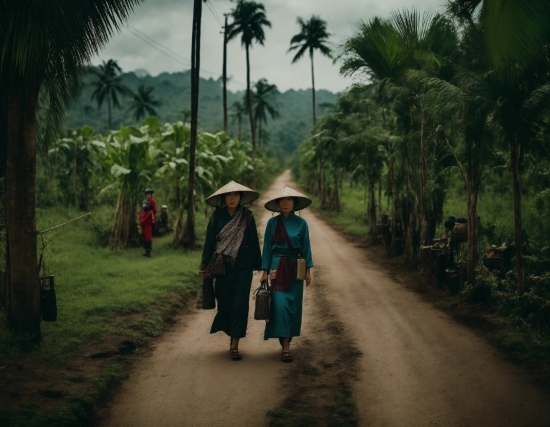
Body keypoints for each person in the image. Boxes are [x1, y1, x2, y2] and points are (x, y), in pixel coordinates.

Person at [200, 181, 262, 361]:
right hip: (222, 268)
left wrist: (260, 267)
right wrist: (205, 267)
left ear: (241, 198)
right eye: (229, 195)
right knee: (225, 302)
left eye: (236, 195)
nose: (233, 198)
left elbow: (253, 243)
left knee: (240, 304)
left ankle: (235, 344)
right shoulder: (216, 218)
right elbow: (209, 244)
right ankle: (230, 332)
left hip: (243, 267)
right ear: (223, 198)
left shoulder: (247, 217)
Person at [260, 186, 314, 363]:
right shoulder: (272, 224)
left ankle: (286, 339)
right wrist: (265, 271)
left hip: (295, 269)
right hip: (276, 266)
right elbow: (267, 248)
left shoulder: (302, 224)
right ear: (277, 203)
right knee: (280, 305)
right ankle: (285, 348)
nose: (285, 203)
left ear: (294, 203)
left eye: (289, 200)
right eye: (282, 200)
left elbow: (306, 248)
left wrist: (308, 270)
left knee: (292, 306)